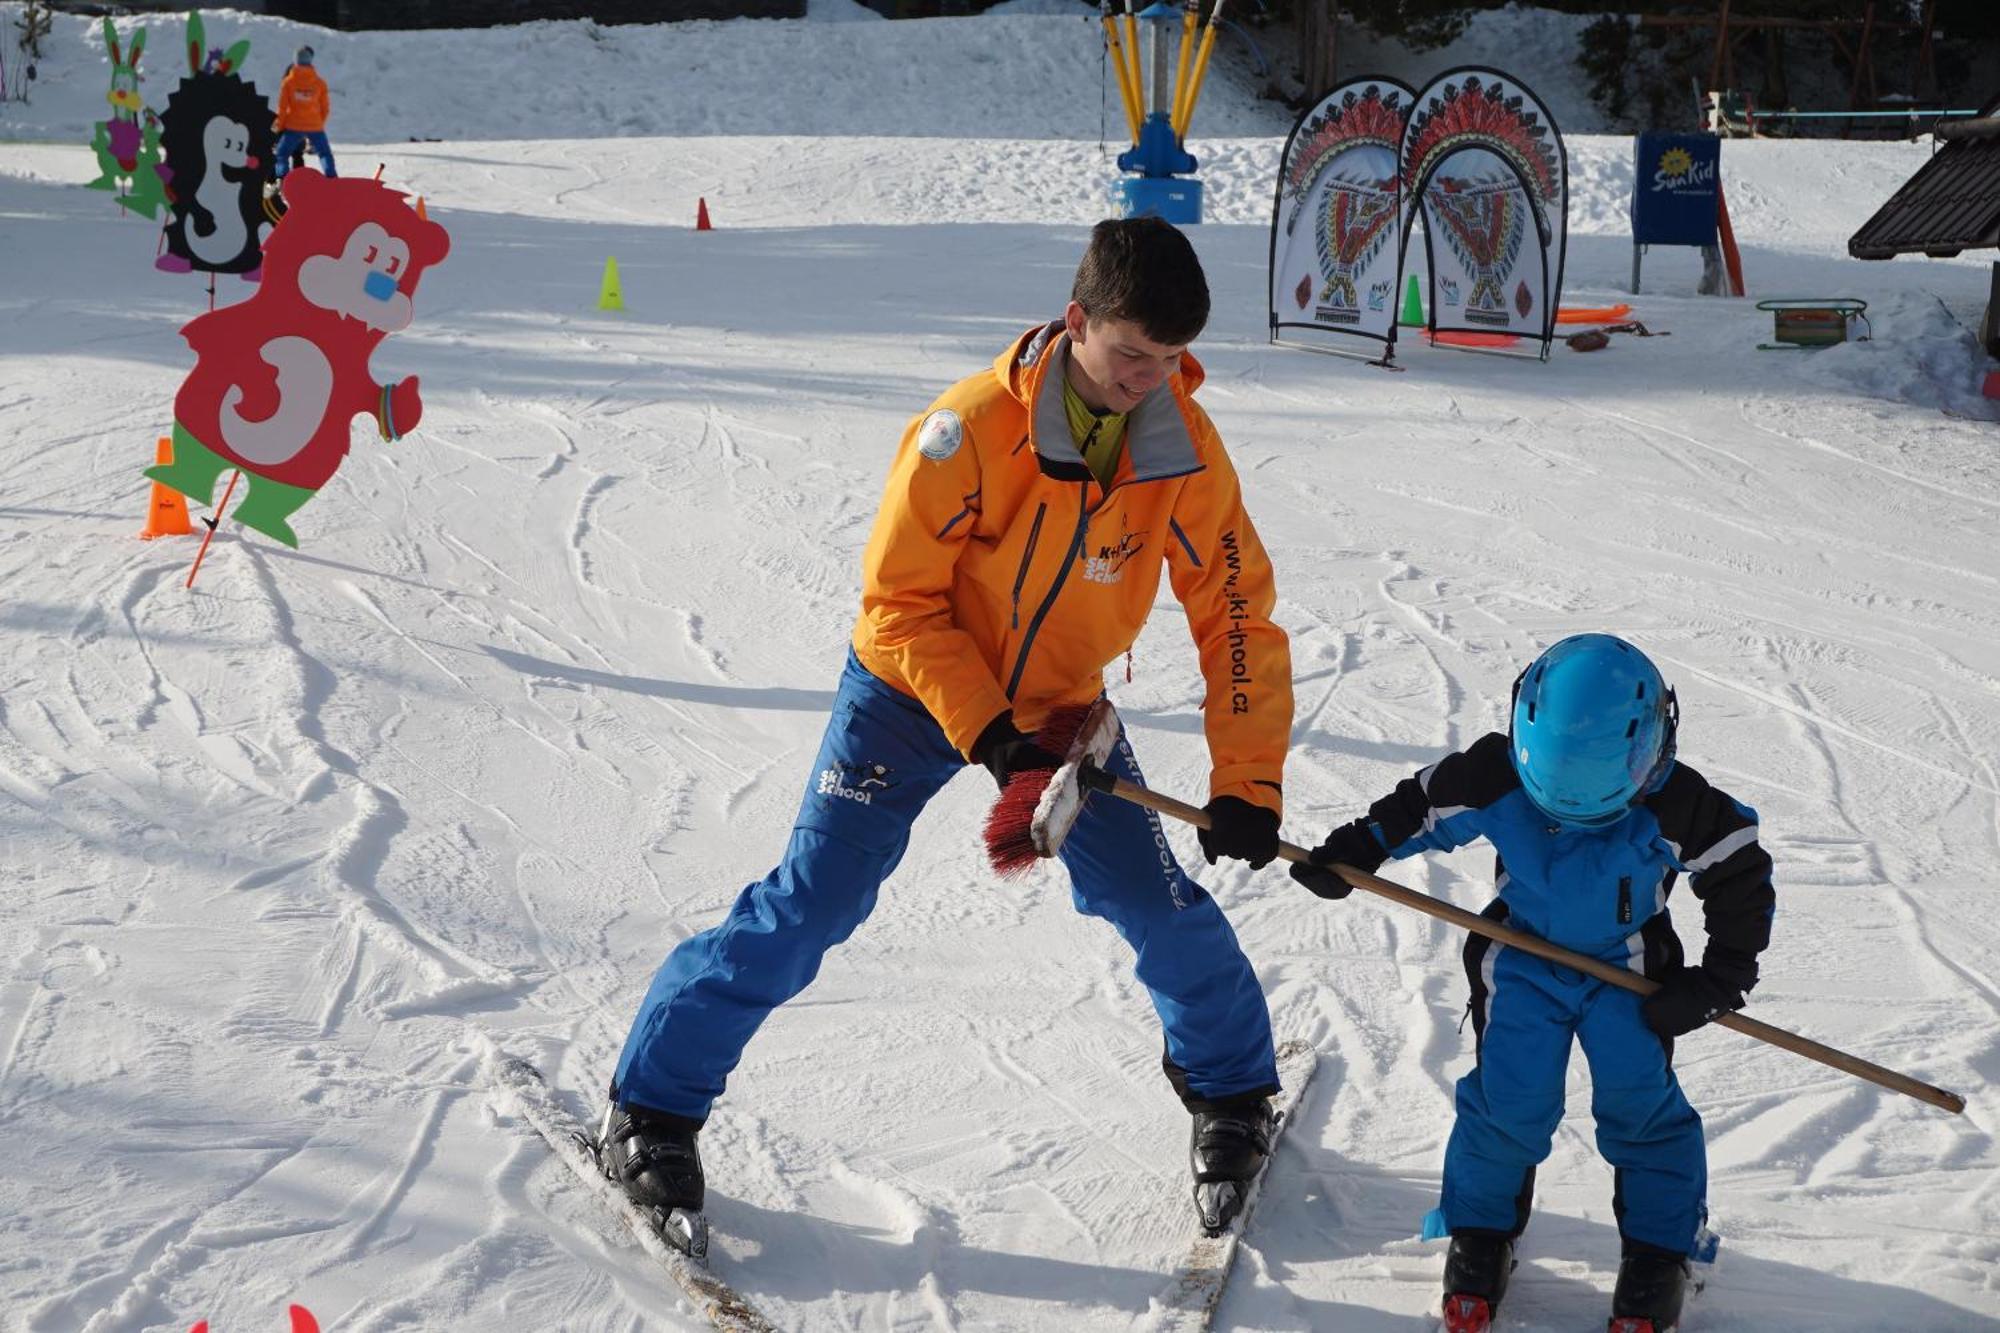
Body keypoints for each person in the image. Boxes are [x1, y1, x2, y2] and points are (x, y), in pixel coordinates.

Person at [604, 217, 1296, 1247]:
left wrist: (1249, 782)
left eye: (1169, 361)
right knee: (811, 903)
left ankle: (1232, 1089)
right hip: (910, 690)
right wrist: (983, 730)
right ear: (1076, 322)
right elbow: (898, 604)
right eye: (1129, 356)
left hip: (1061, 704)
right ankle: (651, 1104)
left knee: (1149, 899)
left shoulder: (1180, 453)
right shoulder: (967, 430)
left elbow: (1234, 613)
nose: (1149, 380)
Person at [1289, 634, 1774, 1333]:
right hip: (1522, 961)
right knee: (1508, 1105)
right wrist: (1357, 850)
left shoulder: (1679, 803)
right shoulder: (1496, 774)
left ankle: (1659, 1254)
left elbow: (1739, 874)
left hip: (1630, 976)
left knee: (1641, 1111)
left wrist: (1721, 978)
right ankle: (1482, 1235)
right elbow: (1419, 807)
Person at [272, 45, 335, 179]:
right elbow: (325, 108)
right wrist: (319, 123)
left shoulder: (288, 82)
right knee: (324, 154)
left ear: (295, 61)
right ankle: (332, 179)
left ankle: (283, 179)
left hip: (294, 126)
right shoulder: (319, 83)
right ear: (310, 60)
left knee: (282, 154)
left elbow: (282, 108)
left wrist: (279, 127)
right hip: (315, 126)